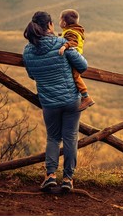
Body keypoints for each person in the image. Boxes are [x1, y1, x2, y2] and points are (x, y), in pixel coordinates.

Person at [23, 11, 88, 192]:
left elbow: (31, 74)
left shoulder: (27, 50)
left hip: (49, 102)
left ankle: (50, 175)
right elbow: (83, 66)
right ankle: (68, 179)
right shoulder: (61, 43)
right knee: (70, 138)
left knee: (53, 138)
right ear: (50, 25)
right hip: (70, 100)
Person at [58, 9, 95, 111]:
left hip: (74, 58)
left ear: (64, 22)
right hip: (76, 57)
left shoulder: (71, 32)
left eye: (60, 20)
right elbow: (69, 37)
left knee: (76, 76)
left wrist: (64, 46)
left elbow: (73, 42)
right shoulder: (74, 30)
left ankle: (86, 97)